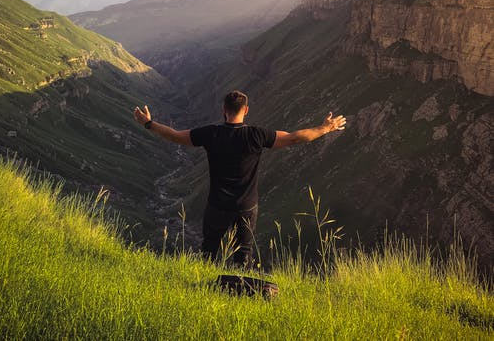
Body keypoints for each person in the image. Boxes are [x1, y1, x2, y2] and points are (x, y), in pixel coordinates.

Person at [133, 90, 346, 268]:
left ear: (223, 110)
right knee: (243, 253)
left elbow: (175, 136)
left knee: (209, 248)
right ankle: (240, 290)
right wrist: (325, 127)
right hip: (246, 206)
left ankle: (203, 287)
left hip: (217, 205)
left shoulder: (210, 133)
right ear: (246, 110)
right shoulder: (257, 135)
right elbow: (294, 138)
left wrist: (149, 124)